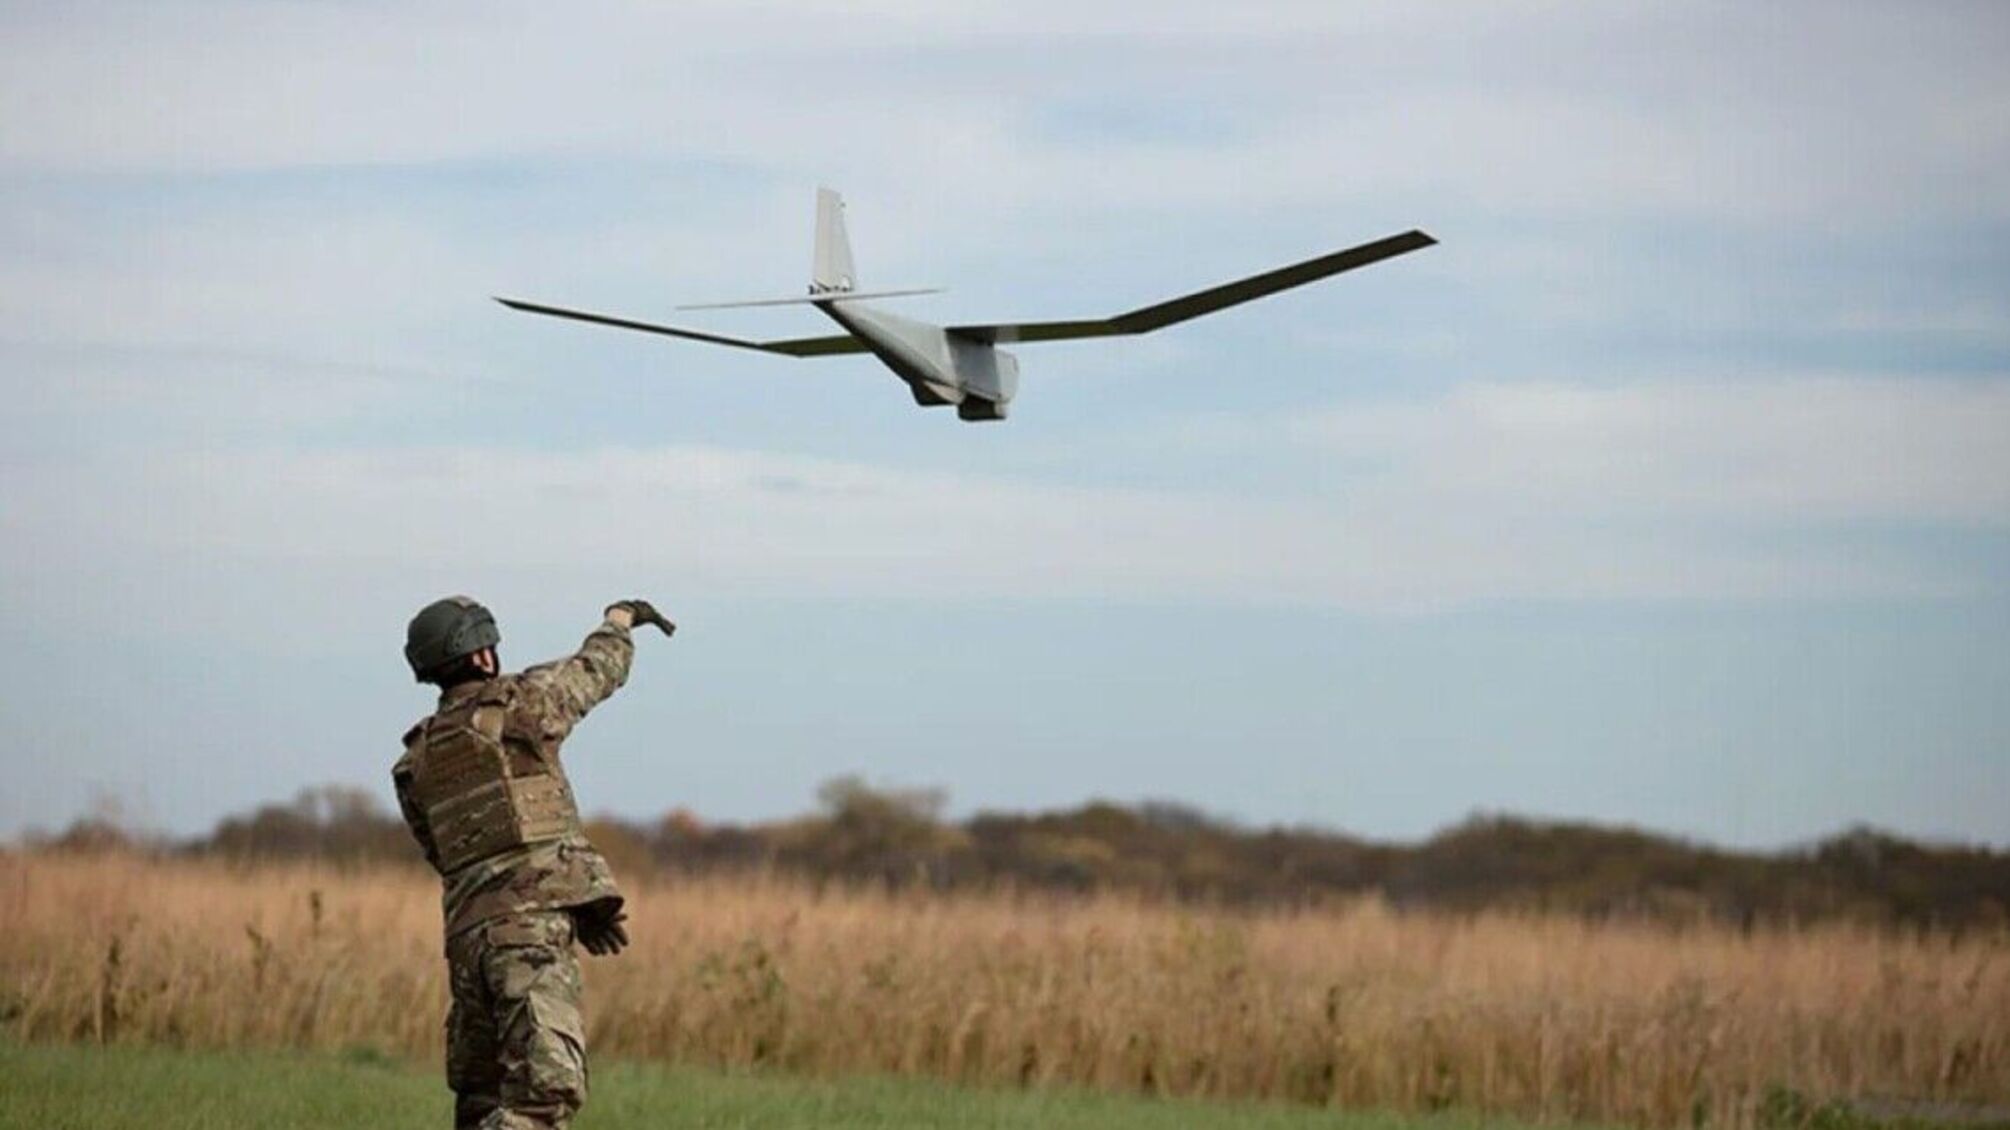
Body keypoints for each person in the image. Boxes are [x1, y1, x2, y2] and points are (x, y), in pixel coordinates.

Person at [393, 595, 675, 1130]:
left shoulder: (416, 761)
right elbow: (595, 672)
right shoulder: (520, 706)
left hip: (469, 943)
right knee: (542, 1099)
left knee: (482, 1101)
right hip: (527, 939)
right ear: (481, 656)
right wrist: (619, 621)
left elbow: (452, 857)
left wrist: (577, 900)